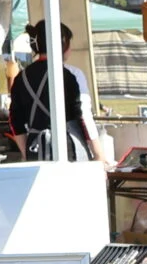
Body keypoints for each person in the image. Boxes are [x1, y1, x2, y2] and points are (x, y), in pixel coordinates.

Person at [8, 21, 94, 160]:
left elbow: (15, 121)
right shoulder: (68, 75)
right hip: (68, 148)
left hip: (35, 148)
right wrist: (99, 154)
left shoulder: (21, 78)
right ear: (63, 43)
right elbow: (83, 116)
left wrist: (26, 153)